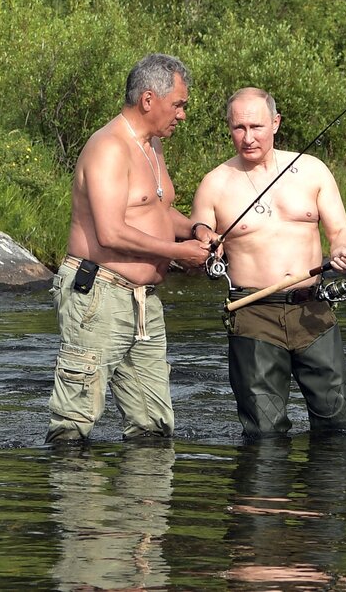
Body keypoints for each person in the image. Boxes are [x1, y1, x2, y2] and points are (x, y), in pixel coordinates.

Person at [46, 53, 211, 443]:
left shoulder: (151, 146)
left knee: (154, 426)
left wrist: (196, 229)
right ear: (149, 100)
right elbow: (111, 232)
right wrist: (178, 253)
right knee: (75, 423)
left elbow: (157, 210)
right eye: (179, 105)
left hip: (144, 302)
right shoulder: (108, 148)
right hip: (98, 295)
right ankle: (75, 501)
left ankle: (145, 502)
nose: (182, 115)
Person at [190, 87, 346, 437]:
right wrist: (209, 247)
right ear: (229, 128)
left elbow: (340, 229)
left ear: (276, 123)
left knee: (338, 424)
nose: (248, 138)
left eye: (257, 127)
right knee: (264, 432)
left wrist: (342, 249)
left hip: (313, 311)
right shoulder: (215, 183)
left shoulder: (311, 170)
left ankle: (326, 493)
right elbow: (201, 235)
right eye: (239, 128)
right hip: (253, 314)